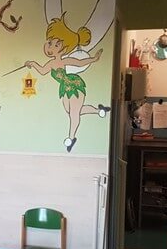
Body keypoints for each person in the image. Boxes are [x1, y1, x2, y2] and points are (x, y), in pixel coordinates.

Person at [24, 14, 110, 153]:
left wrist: (94, 59)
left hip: (74, 84)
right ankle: (99, 111)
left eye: (56, 44)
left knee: (74, 113)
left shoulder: (64, 61)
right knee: (72, 111)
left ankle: (71, 138)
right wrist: (32, 64)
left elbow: (80, 62)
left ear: (63, 48)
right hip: (64, 88)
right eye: (50, 42)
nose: (50, 46)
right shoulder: (51, 63)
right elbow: (42, 71)